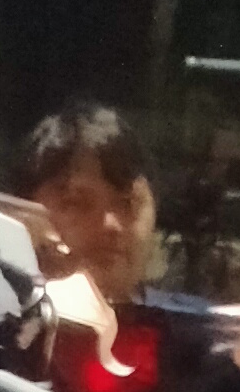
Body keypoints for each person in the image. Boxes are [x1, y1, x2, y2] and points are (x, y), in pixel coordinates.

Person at [20, 101, 160, 321]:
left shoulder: (193, 331)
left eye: (127, 204)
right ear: (24, 214)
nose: (112, 225)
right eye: (77, 203)